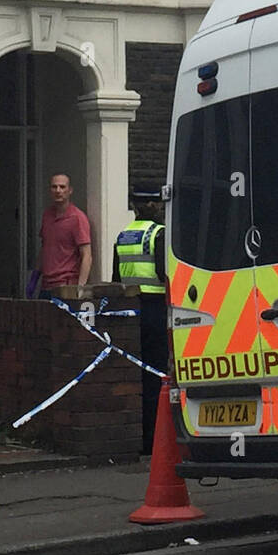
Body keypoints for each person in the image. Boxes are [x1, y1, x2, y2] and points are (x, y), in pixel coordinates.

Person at [113, 183, 167, 452]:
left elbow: (116, 280)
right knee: (157, 375)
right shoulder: (159, 234)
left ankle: (141, 437)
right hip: (156, 309)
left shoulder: (123, 236)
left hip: (129, 311)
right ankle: (156, 439)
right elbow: (165, 274)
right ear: (155, 205)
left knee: (136, 375)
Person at [38, 174, 92, 297]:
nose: (58, 191)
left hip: (66, 286)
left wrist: (80, 288)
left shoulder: (77, 218)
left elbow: (86, 255)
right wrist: (35, 275)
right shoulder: (47, 215)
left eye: (62, 187)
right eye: (54, 187)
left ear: (70, 190)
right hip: (46, 285)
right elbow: (44, 248)